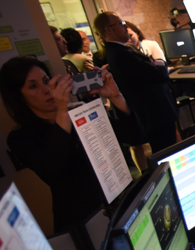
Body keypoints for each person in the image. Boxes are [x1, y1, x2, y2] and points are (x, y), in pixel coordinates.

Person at [0, 57, 136, 234]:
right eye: (33, 86)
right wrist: (63, 111)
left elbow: (134, 136)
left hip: (120, 204)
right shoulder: (21, 137)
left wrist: (116, 97)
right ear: (19, 97)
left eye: (46, 81)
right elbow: (53, 169)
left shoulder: (81, 111)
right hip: (84, 221)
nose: (46, 90)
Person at [93, 12, 179, 154]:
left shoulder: (120, 50)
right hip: (156, 116)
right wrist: (160, 65)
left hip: (156, 115)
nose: (125, 26)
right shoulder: (122, 54)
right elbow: (160, 74)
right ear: (108, 29)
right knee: (167, 154)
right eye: (121, 24)